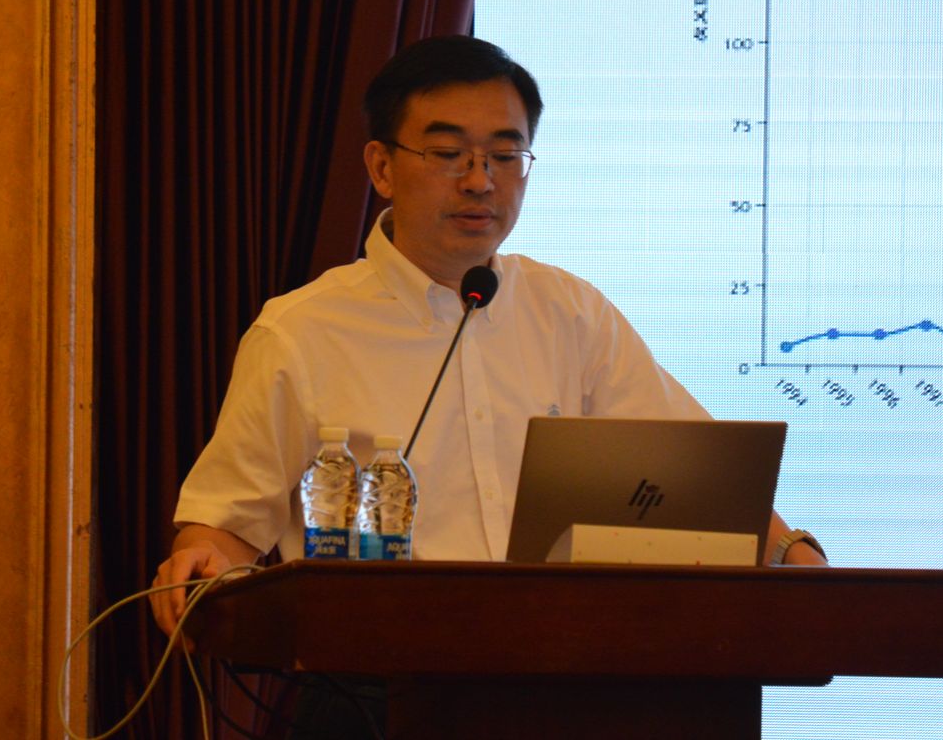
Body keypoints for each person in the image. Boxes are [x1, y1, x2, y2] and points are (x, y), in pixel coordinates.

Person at [151, 35, 826, 635]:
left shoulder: (571, 313)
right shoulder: (300, 331)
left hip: (565, 672)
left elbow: (698, 477)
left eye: (505, 155)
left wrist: (790, 551)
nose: (480, 181)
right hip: (374, 682)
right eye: (448, 153)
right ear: (381, 167)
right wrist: (201, 558)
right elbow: (226, 527)